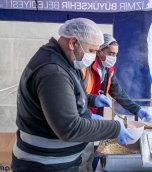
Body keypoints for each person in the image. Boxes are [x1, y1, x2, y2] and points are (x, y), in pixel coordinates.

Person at [11, 18, 134, 172]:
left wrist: (92, 99)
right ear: (73, 43)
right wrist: (115, 127)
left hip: (54, 161)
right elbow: (69, 128)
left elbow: (66, 95)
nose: (93, 56)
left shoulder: (63, 61)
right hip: (43, 164)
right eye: (91, 51)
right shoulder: (53, 72)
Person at [79, 33, 151, 171]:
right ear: (99, 51)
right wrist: (90, 110)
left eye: (116, 54)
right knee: (83, 155)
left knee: (88, 155)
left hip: (95, 119)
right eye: (110, 53)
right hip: (82, 118)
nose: (113, 58)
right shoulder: (85, 68)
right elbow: (76, 98)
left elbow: (119, 94)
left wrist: (137, 110)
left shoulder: (108, 70)